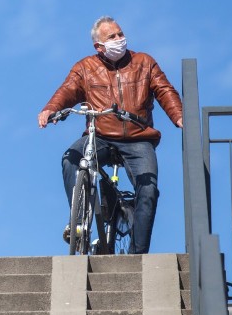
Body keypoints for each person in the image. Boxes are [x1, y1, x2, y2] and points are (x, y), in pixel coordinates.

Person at [37, 16, 182, 254]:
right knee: (71, 158)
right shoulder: (86, 67)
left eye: (120, 34)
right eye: (112, 37)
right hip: (101, 135)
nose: (119, 40)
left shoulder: (144, 62)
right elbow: (67, 90)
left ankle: (137, 256)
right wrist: (50, 109)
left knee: (148, 190)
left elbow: (164, 90)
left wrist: (179, 116)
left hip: (139, 136)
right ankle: (79, 220)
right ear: (99, 46)